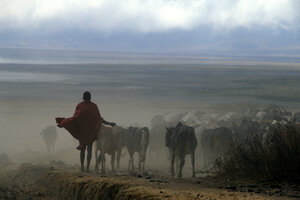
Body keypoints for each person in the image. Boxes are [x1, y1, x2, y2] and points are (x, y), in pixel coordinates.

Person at [55, 91, 115, 172]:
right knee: (89, 149)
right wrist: (109, 123)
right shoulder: (94, 106)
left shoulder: (79, 105)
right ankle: (87, 168)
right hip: (90, 132)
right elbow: (99, 119)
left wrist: (63, 123)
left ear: (83, 97)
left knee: (83, 148)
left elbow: (75, 118)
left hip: (82, 132)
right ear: (90, 97)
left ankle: (83, 167)